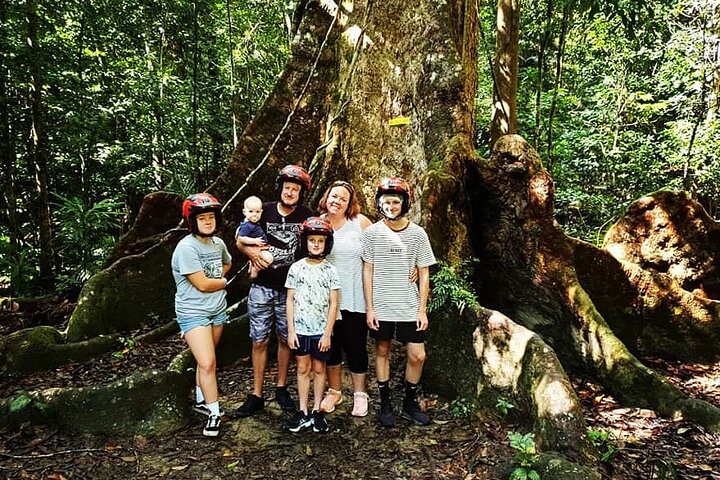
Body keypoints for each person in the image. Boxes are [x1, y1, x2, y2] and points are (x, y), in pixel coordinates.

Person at [234, 165, 314, 417]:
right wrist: (248, 252)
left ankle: (281, 387)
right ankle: (256, 393)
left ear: (301, 193)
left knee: (284, 338)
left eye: (295, 189)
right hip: (262, 288)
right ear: (280, 188)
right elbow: (240, 236)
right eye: (287, 187)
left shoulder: (305, 215)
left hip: (290, 290)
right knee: (259, 340)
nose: (290, 192)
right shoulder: (263, 209)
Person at [362, 177, 436, 427]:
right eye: (386, 202)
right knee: (382, 350)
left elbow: (424, 272)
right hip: (381, 304)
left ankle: (409, 401)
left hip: (408, 304)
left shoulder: (417, 234)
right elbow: (367, 270)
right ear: (379, 204)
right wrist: (370, 307)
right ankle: (385, 403)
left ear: (404, 204)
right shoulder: (372, 233)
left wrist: (422, 309)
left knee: (417, 355)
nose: (391, 206)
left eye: (395, 202)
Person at [171, 193, 232, 437]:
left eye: (211, 217)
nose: (207, 222)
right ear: (192, 221)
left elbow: (227, 262)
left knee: (206, 360)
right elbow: (203, 284)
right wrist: (224, 282)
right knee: (208, 363)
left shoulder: (218, 244)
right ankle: (214, 413)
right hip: (193, 311)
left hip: (217, 310)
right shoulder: (186, 247)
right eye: (202, 218)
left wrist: (220, 275)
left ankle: (200, 397)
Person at [315, 181, 372, 417]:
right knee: (332, 347)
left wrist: (412, 267)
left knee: (356, 346)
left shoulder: (360, 223)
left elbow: (382, 246)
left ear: (350, 204)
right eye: (333, 196)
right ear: (326, 197)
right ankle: (335, 390)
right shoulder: (318, 223)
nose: (336, 201)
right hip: (325, 300)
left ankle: (360, 394)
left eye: (343, 199)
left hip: (355, 296)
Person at [285, 217, 340, 432]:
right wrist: (291, 330)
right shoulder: (296, 269)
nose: (316, 244)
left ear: (327, 244)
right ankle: (302, 410)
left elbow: (334, 303)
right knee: (302, 368)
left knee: (319, 368)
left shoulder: (330, 271)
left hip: (321, 331)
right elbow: (290, 300)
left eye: (320, 241)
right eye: (312, 240)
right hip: (300, 329)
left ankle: (317, 410)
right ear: (304, 242)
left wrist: (328, 334)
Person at [236, 196, 273, 279]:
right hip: (256, 247)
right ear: (244, 212)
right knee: (268, 259)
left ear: (261, 212)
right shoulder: (246, 225)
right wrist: (254, 241)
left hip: (261, 246)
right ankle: (254, 269)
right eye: (251, 211)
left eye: (257, 212)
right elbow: (242, 238)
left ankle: (253, 267)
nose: (254, 214)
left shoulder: (254, 223)